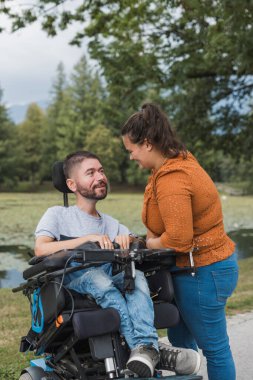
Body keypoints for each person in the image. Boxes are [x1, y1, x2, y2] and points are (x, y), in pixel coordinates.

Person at [34, 150, 201, 378]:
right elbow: (41, 248)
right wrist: (87, 239)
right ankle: (151, 351)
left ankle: (145, 349)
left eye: (101, 171)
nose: (100, 177)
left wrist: (130, 240)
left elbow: (138, 241)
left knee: (136, 276)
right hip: (72, 280)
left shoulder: (111, 223)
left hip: (109, 277)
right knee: (98, 279)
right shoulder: (57, 215)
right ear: (72, 184)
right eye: (90, 172)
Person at [121, 103, 239, 380]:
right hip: (192, 269)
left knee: (214, 348)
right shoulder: (174, 163)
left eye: (131, 150)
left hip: (203, 271)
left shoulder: (173, 178)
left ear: (147, 143)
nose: (131, 157)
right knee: (182, 346)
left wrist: (145, 245)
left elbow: (179, 238)